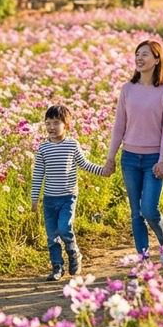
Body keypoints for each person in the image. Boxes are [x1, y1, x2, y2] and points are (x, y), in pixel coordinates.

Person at [105, 40, 163, 266]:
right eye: (137, 54)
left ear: (157, 59)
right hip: (129, 158)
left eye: (145, 54)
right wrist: (110, 158)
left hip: (154, 160)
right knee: (136, 212)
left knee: (149, 210)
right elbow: (119, 126)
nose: (139, 58)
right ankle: (143, 259)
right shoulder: (127, 89)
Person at [30, 104, 108, 281]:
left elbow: (85, 164)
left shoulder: (72, 145)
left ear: (66, 125)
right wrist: (34, 198)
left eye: (56, 123)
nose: (51, 127)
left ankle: (74, 253)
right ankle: (57, 267)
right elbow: (38, 175)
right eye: (48, 123)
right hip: (49, 199)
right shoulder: (43, 148)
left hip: (68, 197)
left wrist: (103, 171)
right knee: (52, 236)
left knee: (65, 228)